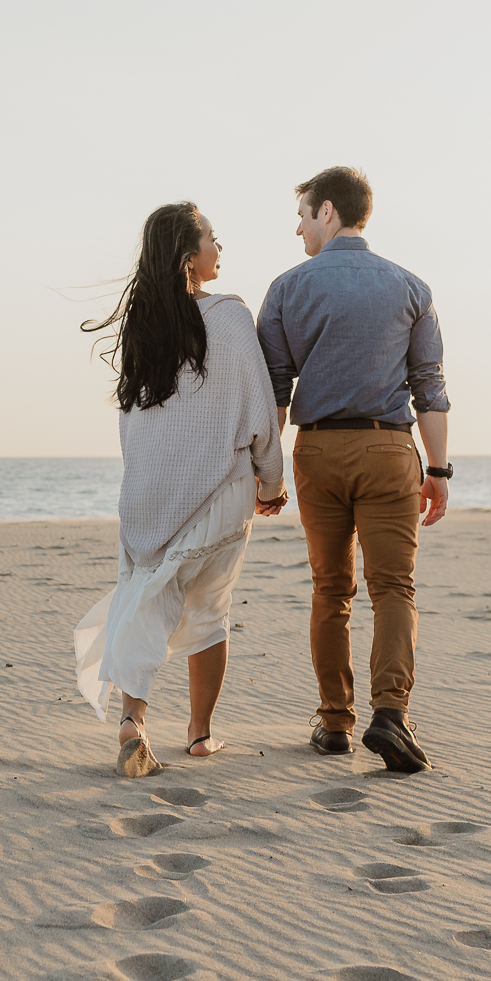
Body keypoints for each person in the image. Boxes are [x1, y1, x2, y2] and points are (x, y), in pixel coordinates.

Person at [75, 202, 288, 777]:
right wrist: (272, 478)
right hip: (221, 487)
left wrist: (145, 484)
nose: (221, 248)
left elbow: (132, 422)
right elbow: (259, 409)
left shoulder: (143, 327)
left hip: (149, 492)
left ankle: (133, 720)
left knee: (150, 596)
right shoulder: (229, 316)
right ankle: (199, 735)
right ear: (190, 255)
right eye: (213, 239)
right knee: (210, 610)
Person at [255, 166, 451, 774]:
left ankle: (335, 722)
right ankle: (391, 714)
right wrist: (439, 470)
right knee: (393, 588)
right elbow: (430, 389)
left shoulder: (286, 289)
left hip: (316, 453)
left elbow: (273, 395)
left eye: (304, 215)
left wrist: (268, 475)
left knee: (330, 589)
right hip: (389, 450)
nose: (298, 227)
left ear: (329, 211)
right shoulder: (410, 287)